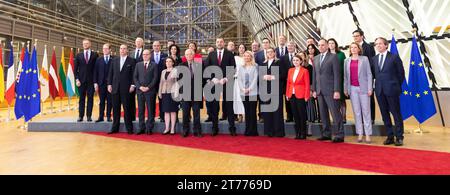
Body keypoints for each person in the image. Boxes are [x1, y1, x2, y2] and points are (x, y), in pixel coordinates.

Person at [373, 37, 405, 146]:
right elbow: (375, 75)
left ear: (386, 45)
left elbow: (401, 74)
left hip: (392, 90)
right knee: (384, 115)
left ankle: (399, 137)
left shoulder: (394, 57)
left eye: (380, 44)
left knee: (396, 114)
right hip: (380, 91)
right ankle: (390, 136)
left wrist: (395, 86)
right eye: (376, 44)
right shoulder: (374, 59)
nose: (378, 45)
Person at [312, 39, 344, 143]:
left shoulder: (333, 57)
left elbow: (337, 75)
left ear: (327, 46)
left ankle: (339, 135)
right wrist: (314, 89)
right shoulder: (316, 58)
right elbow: (315, 75)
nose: (320, 47)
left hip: (331, 91)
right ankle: (326, 134)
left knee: (335, 114)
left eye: (323, 45)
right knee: (323, 114)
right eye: (319, 45)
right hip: (319, 91)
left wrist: (337, 90)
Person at [205, 38, 237, 136]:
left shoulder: (230, 54)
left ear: (224, 43)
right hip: (214, 83)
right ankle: (215, 128)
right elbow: (207, 68)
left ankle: (232, 128)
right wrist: (212, 78)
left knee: (229, 106)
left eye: (221, 42)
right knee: (215, 107)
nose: (219, 43)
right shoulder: (211, 54)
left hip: (226, 82)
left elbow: (233, 68)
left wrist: (226, 79)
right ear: (215, 43)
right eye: (218, 42)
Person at [344, 43, 373, 143]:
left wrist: (370, 88)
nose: (353, 49)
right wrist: (345, 89)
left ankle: (368, 134)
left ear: (359, 49)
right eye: (351, 47)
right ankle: (360, 133)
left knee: (366, 111)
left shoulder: (364, 59)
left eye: (355, 47)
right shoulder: (346, 61)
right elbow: (345, 77)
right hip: (352, 89)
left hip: (364, 88)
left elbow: (369, 74)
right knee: (356, 112)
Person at [108, 44, 136, 134]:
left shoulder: (132, 61)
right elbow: (110, 73)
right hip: (115, 88)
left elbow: (134, 75)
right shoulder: (114, 60)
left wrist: (133, 85)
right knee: (115, 109)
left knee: (127, 109)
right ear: (119, 50)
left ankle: (129, 129)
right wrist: (109, 84)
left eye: (124, 48)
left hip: (126, 89)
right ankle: (114, 128)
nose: (122, 50)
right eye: (121, 48)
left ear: (127, 50)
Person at [261, 47, 285, 137]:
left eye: (271, 52)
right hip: (266, 90)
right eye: (268, 52)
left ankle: (278, 132)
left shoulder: (279, 62)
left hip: (276, 89)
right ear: (266, 54)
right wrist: (263, 77)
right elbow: (260, 76)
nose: (269, 53)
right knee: (267, 111)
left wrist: (273, 77)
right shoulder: (263, 64)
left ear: (275, 53)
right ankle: (269, 131)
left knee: (277, 111)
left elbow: (283, 74)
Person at [133, 49, 159, 135]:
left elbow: (155, 78)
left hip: (150, 91)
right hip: (140, 91)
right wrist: (140, 87)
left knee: (150, 110)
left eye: (147, 54)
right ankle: (141, 128)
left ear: (150, 55)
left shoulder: (154, 65)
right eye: (144, 54)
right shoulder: (138, 65)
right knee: (140, 110)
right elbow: (135, 77)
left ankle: (149, 128)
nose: (145, 56)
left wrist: (148, 87)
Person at [180, 49, 205, 137]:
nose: (189, 55)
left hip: (196, 93)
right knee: (185, 114)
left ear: (193, 55)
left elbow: (203, 79)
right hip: (185, 94)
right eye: (187, 54)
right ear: (185, 56)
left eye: (191, 54)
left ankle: (197, 131)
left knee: (196, 114)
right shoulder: (181, 65)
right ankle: (185, 130)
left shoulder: (199, 65)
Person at [353, 29, 376, 124]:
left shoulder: (369, 47)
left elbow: (372, 62)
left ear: (362, 36)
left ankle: (371, 118)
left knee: (369, 98)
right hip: (355, 79)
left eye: (357, 36)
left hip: (366, 77)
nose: (355, 38)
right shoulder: (353, 47)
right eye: (354, 36)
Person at [286, 54, 310, 139]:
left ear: (300, 61)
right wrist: (287, 94)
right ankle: (298, 133)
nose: (295, 62)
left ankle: (303, 133)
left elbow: (307, 84)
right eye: (294, 60)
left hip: (301, 95)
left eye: (297, 60)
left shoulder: (305, 71)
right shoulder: (290, 70)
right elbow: (288, 83)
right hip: (291, 95)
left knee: (302, 115)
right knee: (295, 115)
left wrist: (307, 95)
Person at [75, 38, 98, 122]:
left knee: (90, 98)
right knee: (81, 99)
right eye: (84, 43)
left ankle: (89, 116)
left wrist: (95, 82)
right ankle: (80, 116)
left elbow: (96, 69)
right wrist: (77, 79)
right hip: (81, 81)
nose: (85, 44)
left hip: (91, 82)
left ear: (90, 44)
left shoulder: (95, 55)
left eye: (87, 43)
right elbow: (75, 69)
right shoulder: (78, 55)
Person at [237, 51, 258, 136]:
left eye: (248, 56)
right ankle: (247, 130)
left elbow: (255, 79)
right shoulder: (241, 67)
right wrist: (242, 88)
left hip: (253, 92)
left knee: (252, 112)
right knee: (247, 111)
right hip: (243, 93)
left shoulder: (255, 66)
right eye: (245, 56)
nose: (246, 57)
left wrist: (249, 89)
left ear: (251, 57)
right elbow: (239, 79)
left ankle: (253, 131)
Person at [158, 57, 179, 135]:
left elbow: (177, 83)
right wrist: (160, 92)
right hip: (164, 93)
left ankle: (172, 128)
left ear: (173, 63)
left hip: (172, 93)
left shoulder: (175, 70)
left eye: (170, 61)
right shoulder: (163, 71)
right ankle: (167, 128)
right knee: (166, 111)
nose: (168, 63)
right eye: (167, 61)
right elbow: (161, 83)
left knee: (173, 111)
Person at [328, 38, 347, 123]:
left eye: (332, 43)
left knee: (341, 99)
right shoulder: (326, 55)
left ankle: (343, 117)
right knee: (333, 100)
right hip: (330, 81)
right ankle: (336, 117)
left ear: (335, 44)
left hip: (340, 79)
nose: (331, 45)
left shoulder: (341, 54)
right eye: (329, 43)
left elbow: (344, 67)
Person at [93, 43, 113, 123]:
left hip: (110, 85)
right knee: (101, 101)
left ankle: (108, 116)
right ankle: (101, 116)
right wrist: (95, 83)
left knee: (109, 101)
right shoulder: (99, 59)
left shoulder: (114, 59)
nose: (105, 50)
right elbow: (95, 72)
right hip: (101, 84)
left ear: (110, 50)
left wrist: (112, 83)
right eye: (103, 49)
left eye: (106, 48)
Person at [280, 41, 297, 122]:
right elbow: (282, 70)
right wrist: (287, 78)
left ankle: (296, 116)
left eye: (291, 46)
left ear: (294, 47)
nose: (290, 47)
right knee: (288, 100)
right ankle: (289, 116)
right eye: (288, 46)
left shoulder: (298, 56)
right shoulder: (283, 58)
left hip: (297, 83)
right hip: (287, 82)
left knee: (296, 100)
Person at [151, 41, 168, 122]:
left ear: (160, 46)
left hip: (162, 81)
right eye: (155, 46)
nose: (156, 47)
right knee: (151, 100)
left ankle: (162, 116)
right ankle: (152, 116)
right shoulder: (149, 55)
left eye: (158, 46)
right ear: (152, 47)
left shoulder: (165, 55)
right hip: (151, 82)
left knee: (162, 99)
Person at [299, 51, 314, 136]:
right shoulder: (295, 67)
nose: (301, 58)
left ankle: (309, 128)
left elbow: (311, 80)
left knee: (309, 110)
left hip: (307, 91)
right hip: (298, 92)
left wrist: (311, 90)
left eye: (302, 56)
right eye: (299, 56)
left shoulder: (309, 67)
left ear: (305, 57)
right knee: (301, 110)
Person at [306, 44, 320, 124]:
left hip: (318, 81)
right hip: (310, 82)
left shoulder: (318, 57)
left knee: (319, 100)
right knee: (311, 100)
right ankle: (313, 116)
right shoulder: (306, 59)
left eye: (312, 48)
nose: (310, 50)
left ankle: (320, 116)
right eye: (309, 48)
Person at [233, 44, 246, 123]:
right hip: (237, 80)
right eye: (240, 48)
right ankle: (240, 115)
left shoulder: (247, 57)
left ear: (245, 49)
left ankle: (246, 115)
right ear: (238, 49)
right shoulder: (235, 58)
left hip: (246, 81)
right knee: (238, 98)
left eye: (243, 48)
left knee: (245, 98)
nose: (241, 49)